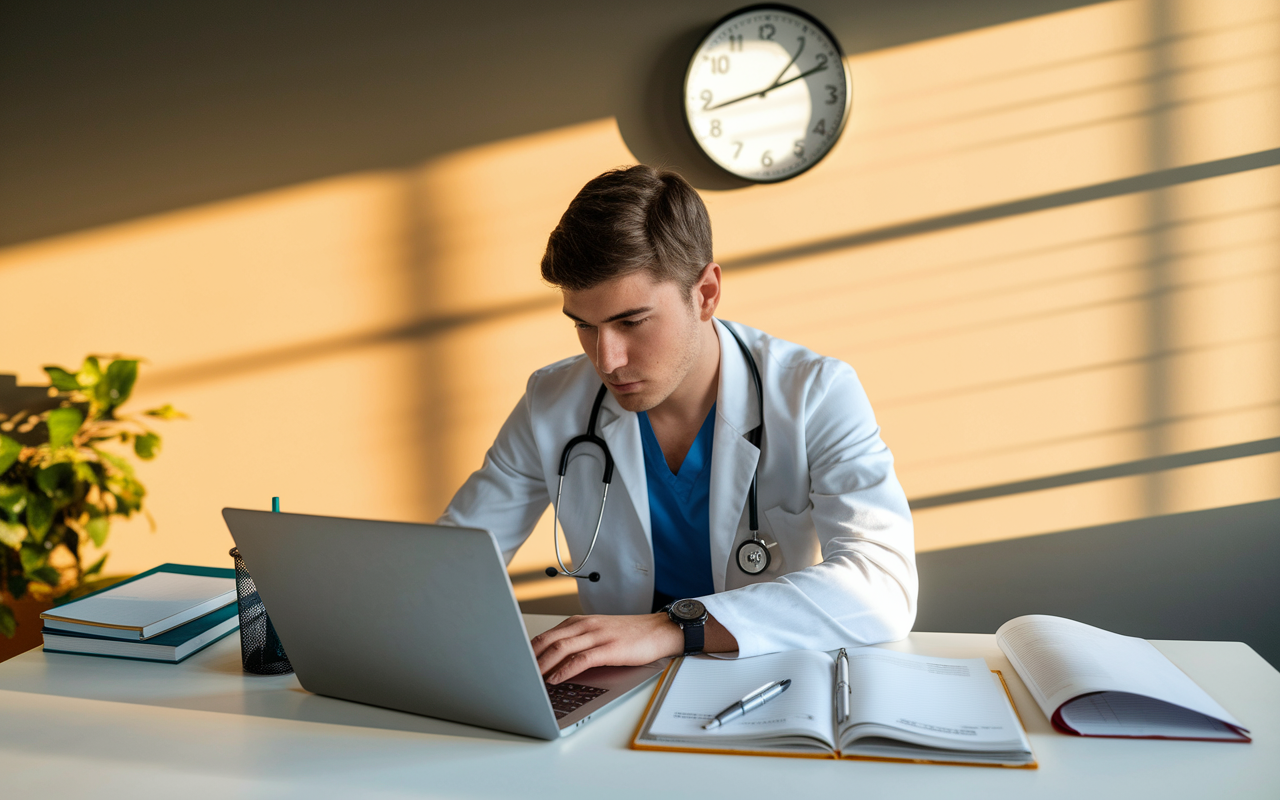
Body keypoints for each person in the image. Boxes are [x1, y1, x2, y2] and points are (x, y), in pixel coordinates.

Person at [438, 165, 916, 685]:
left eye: (631, 321)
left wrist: (672, 628)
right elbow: (451, 565)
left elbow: (882, 585)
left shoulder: (815, 393)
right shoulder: (550, 402)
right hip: (612, 688)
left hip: (762, 679)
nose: (607, 359)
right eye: (583, 325)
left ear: (706, 293)